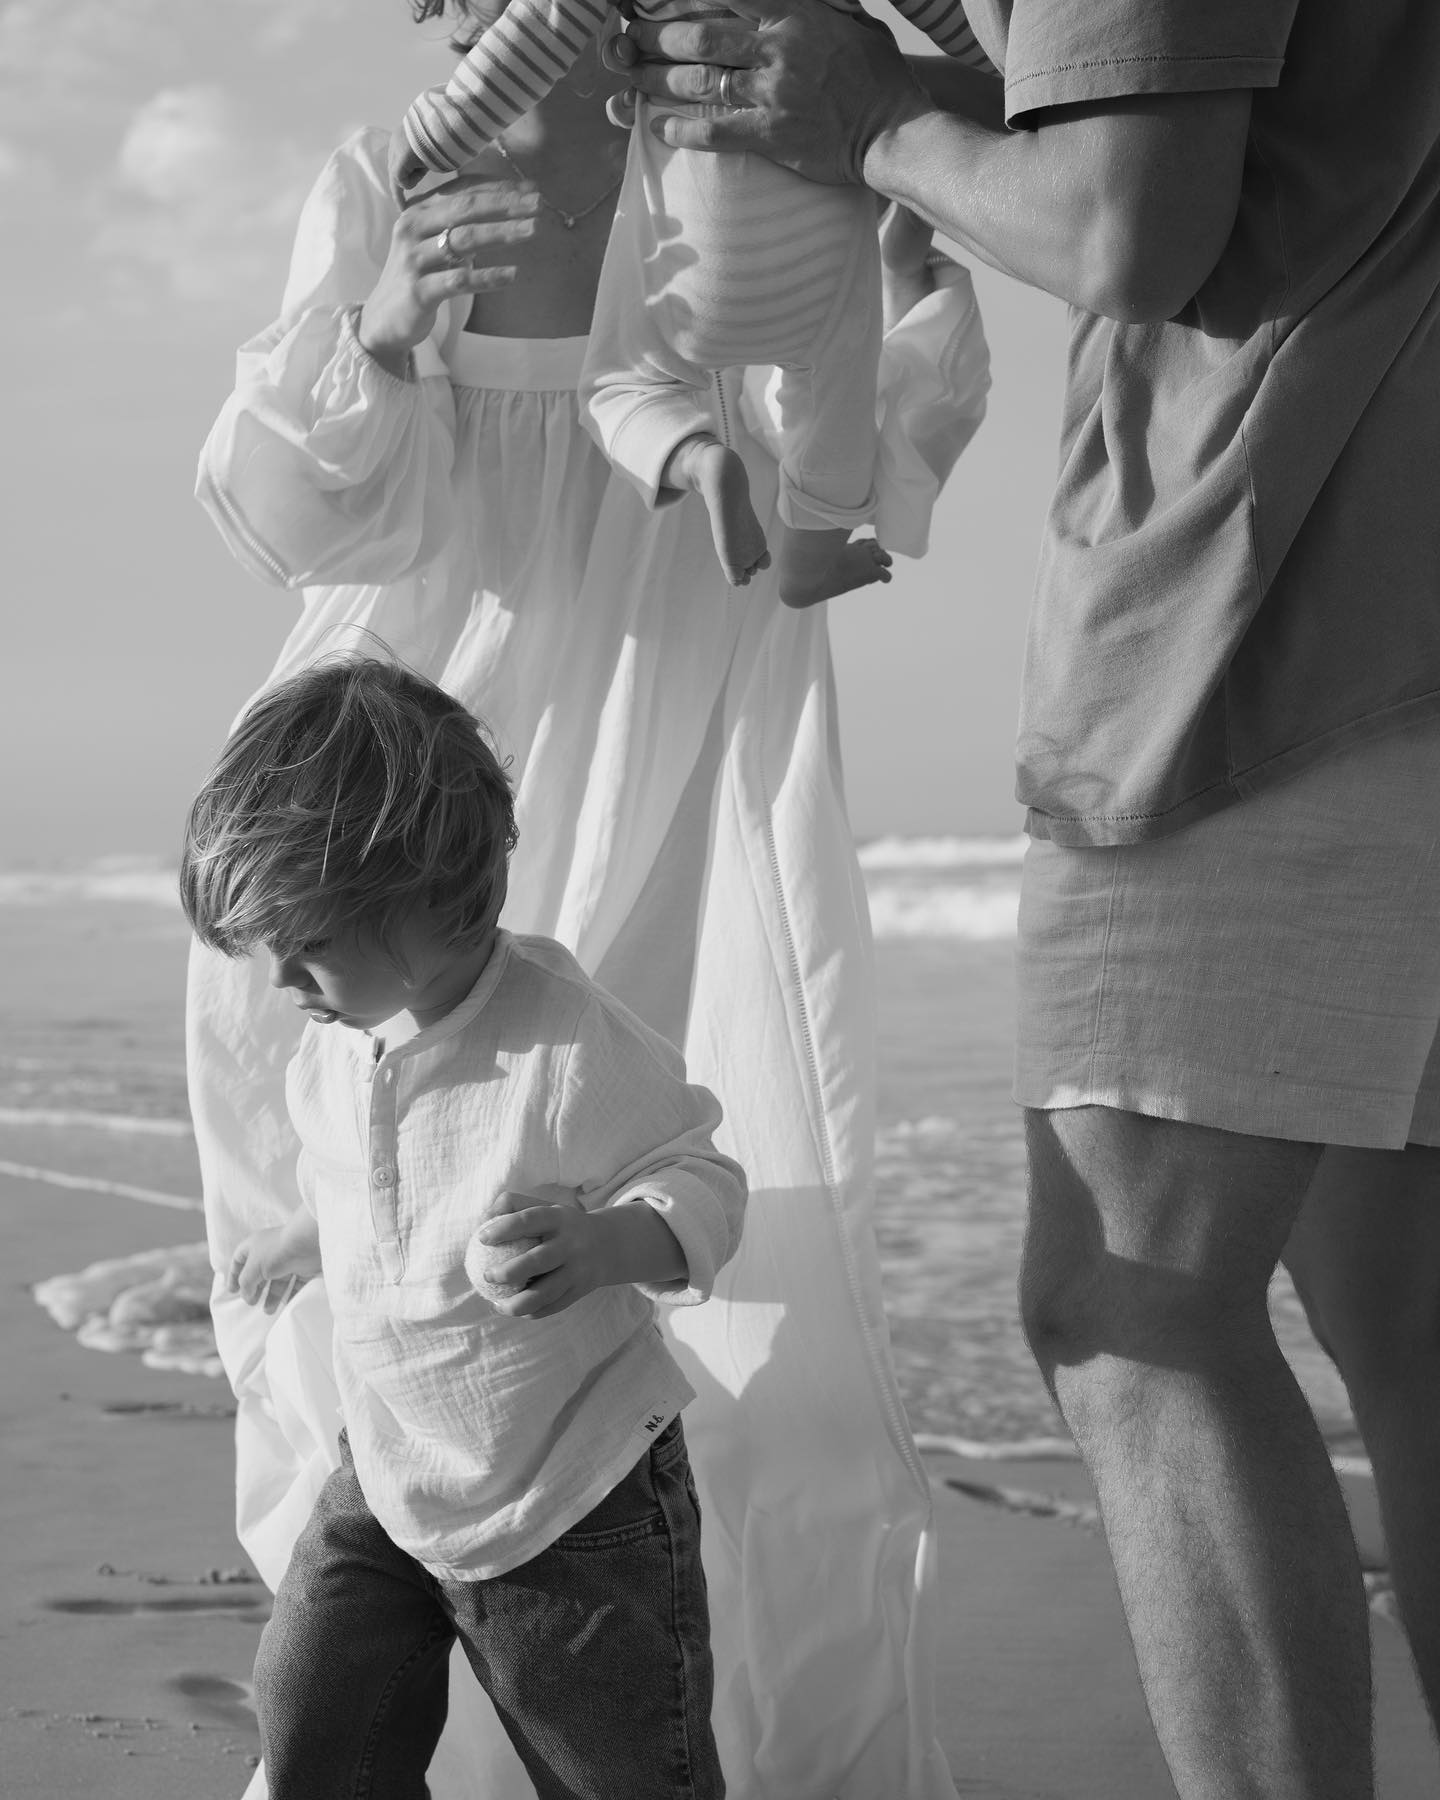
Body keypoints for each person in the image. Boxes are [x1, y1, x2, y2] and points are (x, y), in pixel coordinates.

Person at [605, 3, 1440, 1797]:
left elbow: (1132, 227)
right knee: (1409, 1314)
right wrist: (937, 98)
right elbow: (1266, 127)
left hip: (1281, 625)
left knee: (1135, 1306)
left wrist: (873, 121)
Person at [188, 3, 991, 1795]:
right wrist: (381, 337)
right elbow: (305, 523)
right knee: (371, 1197)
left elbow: (848, 443)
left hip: (685, 699)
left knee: (651, 1152)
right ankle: (380, 1688)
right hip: (411, 748)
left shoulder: (742, 141)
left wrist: (887, 299)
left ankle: (631, 1718)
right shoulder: (391, 175)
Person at [181, 656, 742, 1798]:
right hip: (389, 1470)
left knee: (615, 1772)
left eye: (307, 941)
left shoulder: (562, 1040)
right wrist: (306, 1237)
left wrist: (607, 1246)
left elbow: (706, 1179)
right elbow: (370, 1185)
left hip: (572, 1495)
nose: (281, 978)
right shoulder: (337, 1047)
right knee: (311, 1730)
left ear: (432, 897)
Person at [395, 0, 991, 606]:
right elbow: (957, 18)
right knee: (838, 410)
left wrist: (437, 135)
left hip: (700, 246)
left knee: (620, 388)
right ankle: (808, 567)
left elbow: (540, 29)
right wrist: (1014, 68)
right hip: (821, 229)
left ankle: (696, 459)